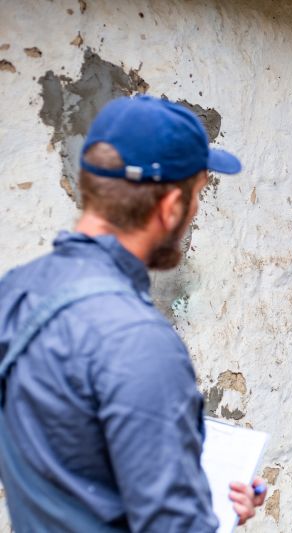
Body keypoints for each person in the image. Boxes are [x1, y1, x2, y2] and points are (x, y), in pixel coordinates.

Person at [0, 95, 266, 531]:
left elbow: (71, 458)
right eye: (196, 195)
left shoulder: (15, 291)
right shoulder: (139, 342)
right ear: (168, 209)